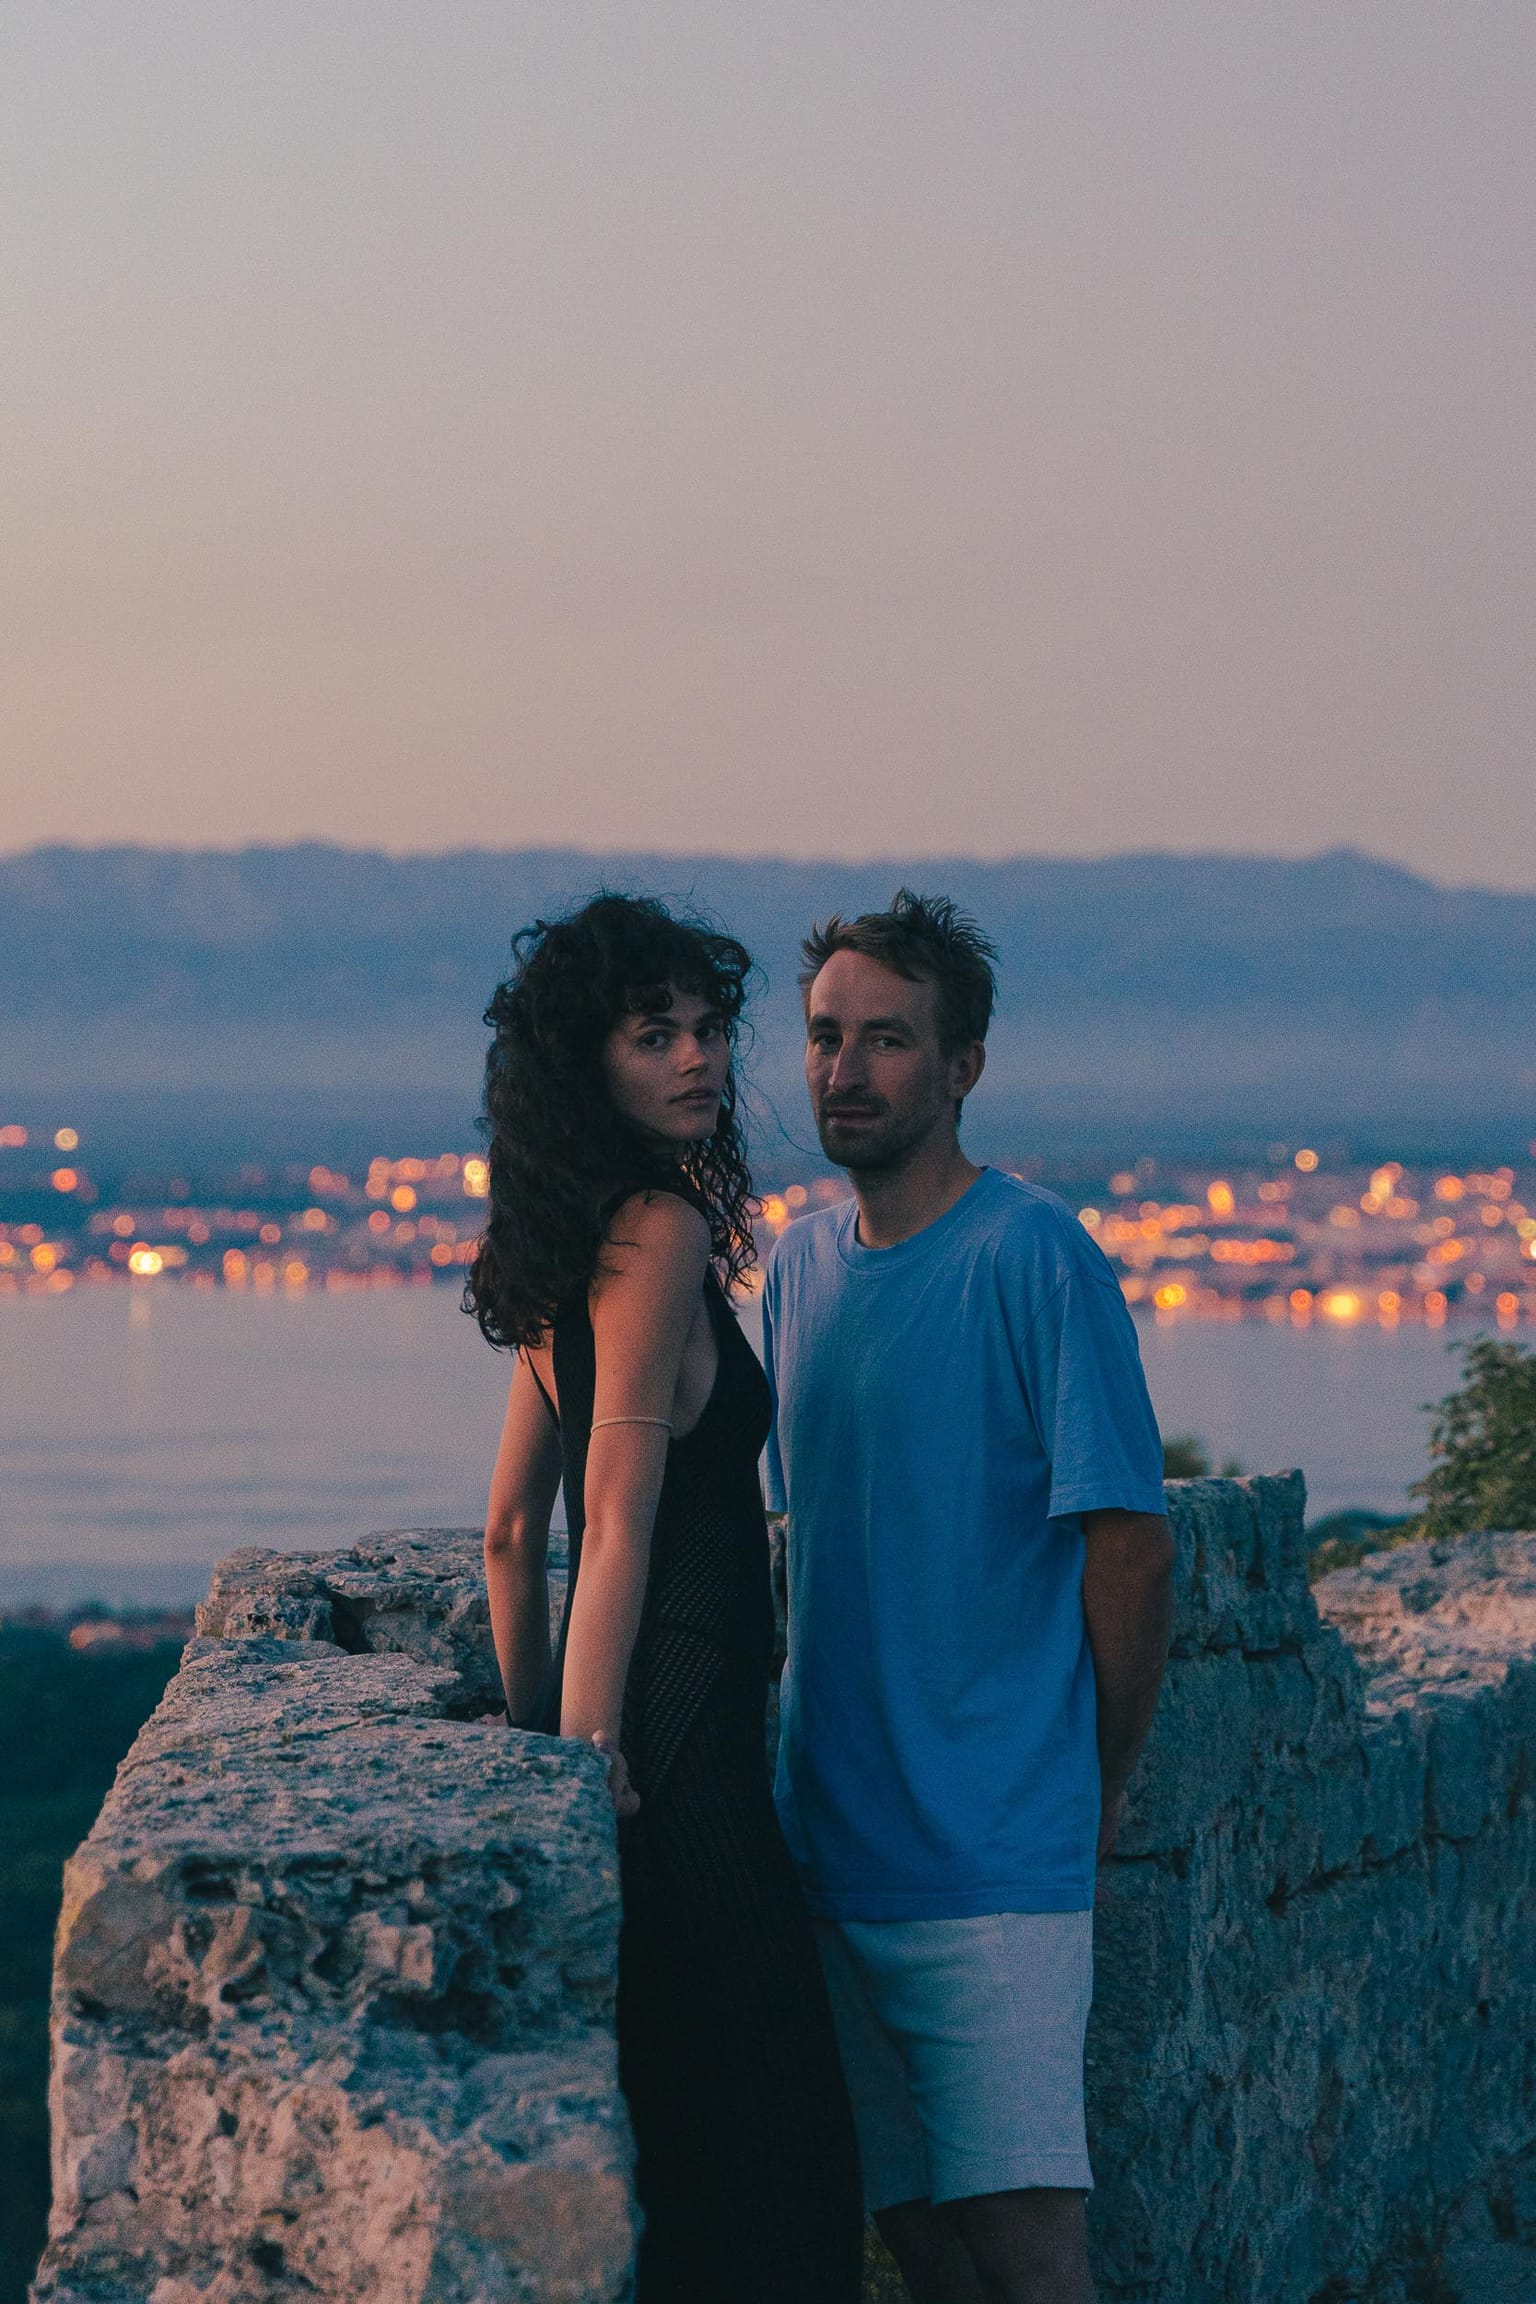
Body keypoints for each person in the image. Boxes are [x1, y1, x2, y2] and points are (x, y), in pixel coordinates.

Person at [761, 891, 1175, 2304]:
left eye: (886, 1039)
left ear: (962, 1067)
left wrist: (1098, 1778)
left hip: (992, 1858)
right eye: (825, 1035)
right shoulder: (798, 1269)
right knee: (920, 2242)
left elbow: (1130, 1541)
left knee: (1024, 2244)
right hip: (828, 1844)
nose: (845, 1069)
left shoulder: (1032, 1253)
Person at [466, 893, 862, 2304]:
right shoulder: (661, 1229)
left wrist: (540, 1728)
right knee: (781, 2125)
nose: (698, 1057)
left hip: (644, 1720)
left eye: (707, 1028)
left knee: (686, 2113)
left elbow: (512, 1532)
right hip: (684, 1731)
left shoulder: (563, 1243)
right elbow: (615, 1513)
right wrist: (591, 1753)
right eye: (654, 1035)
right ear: (590, 1063)